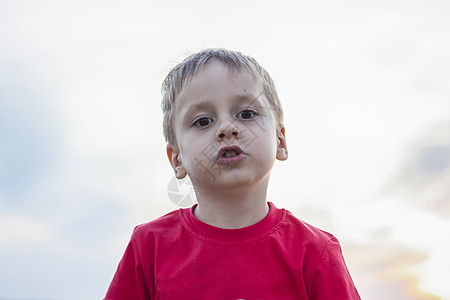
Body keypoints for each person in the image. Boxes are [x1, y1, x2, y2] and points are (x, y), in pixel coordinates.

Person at [104, 48, 361, 299]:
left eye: (246, 114)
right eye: (203, 121)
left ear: (280, 141)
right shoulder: (150, 246)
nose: (227, 128)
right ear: (177, 159)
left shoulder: (314, 251)